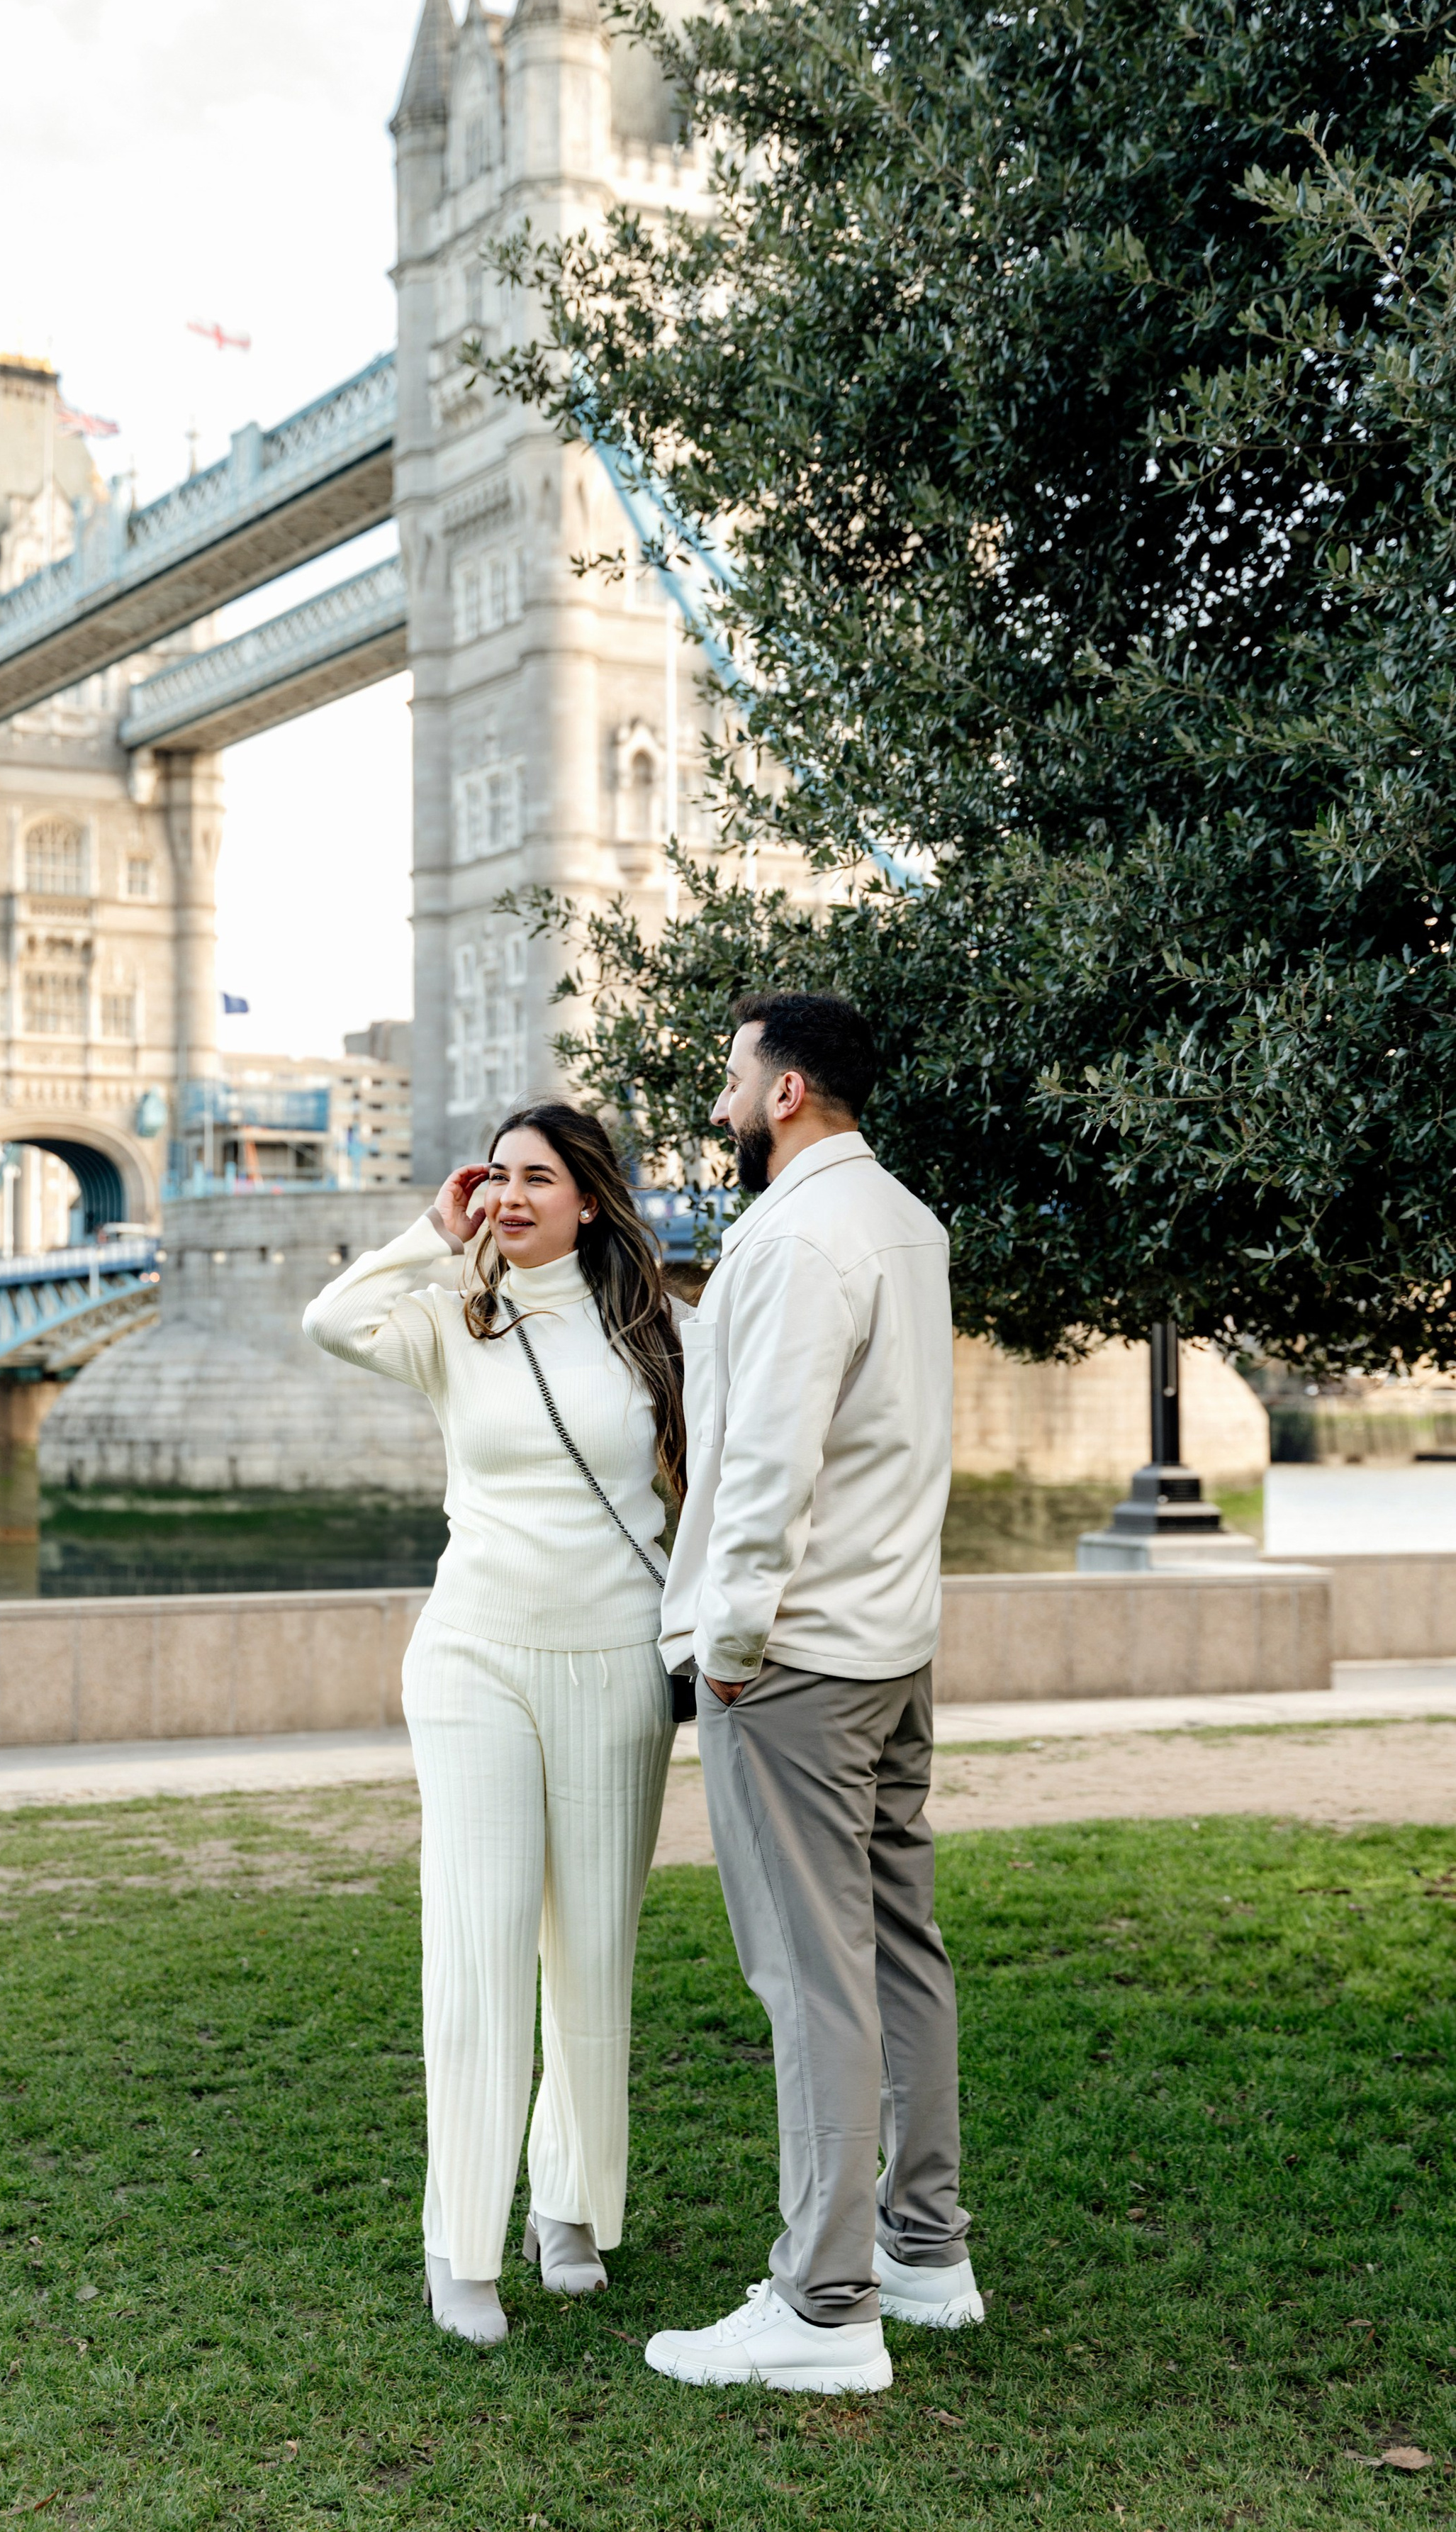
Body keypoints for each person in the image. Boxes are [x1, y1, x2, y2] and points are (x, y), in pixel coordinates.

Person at [302, 1103, 684, 2348]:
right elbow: (329, 1319)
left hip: (616, 1662)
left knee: (591, 1953)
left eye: (538, 1179)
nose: (510, 1197)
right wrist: (427, 1229)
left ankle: (568, 2207)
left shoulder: (659, 1334)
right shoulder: (452, 1317)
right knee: (476, 1951)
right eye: (496, 1178)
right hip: (473, 1659)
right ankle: (459, 2242)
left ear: (591, 1196)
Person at [644, 991, 980, 2397]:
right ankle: (922, 2246)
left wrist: (723, 1646)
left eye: (730, 1079)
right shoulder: (904, 1219)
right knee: (896, 1946)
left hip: (793, 1661)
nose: (719, 1104)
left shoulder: (790, 1234)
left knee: (807, 1975)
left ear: (785, 1092)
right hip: (890, 1642)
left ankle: (824, 2305)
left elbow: (764, 1464)